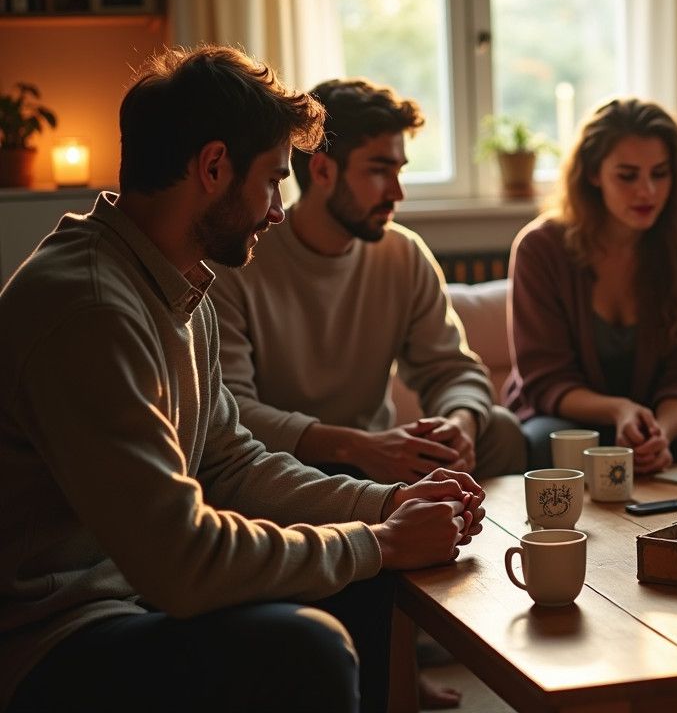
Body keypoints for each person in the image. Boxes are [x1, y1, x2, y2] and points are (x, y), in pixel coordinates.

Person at [0, 46, 485, 713]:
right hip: (52, 639)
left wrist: (382, 507)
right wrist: (374, 540)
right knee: (305, 646)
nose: (279, 210)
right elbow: (182, 564)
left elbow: (231, 463)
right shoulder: (91, 309)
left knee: (370, 578)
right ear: (213, 167)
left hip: (132, 599)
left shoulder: (175, 279)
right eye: (274, 181)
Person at [210, 78, 526, 485]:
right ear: (322, 170)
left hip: (379, 459)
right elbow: (232, 408)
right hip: (284, 462)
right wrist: (355, 446)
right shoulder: (240, 258)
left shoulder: (403, 253)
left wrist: (460, 423)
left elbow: (452, 370)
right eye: (379, 171)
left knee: (499, 430)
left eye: (399, 171)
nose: (397, 193)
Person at [504, 98, 677, 473]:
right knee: (544, 443)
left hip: (658, 421)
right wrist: (620, 409)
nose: (647, 191)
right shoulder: (541, 248)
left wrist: (660, 433)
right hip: (570, 418)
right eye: (628, 175)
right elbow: (545, 379)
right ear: (592, 174)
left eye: (660, 173)